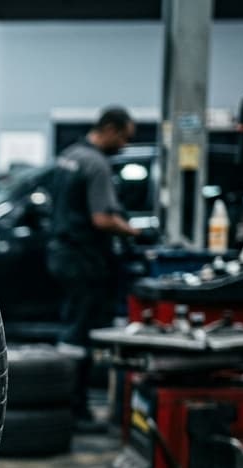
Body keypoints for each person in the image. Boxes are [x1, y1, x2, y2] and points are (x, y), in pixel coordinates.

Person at [46, 106, 141, 424]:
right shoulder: (97, 164)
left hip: (61, 254)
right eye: (125, 138)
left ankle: (63, 401)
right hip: (85, 259)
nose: (124, 146)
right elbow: (101, 219)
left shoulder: (69, 155)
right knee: (80, 334)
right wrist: (133, 230)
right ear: (111, 129)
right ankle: (75, 407)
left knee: (70, 327)